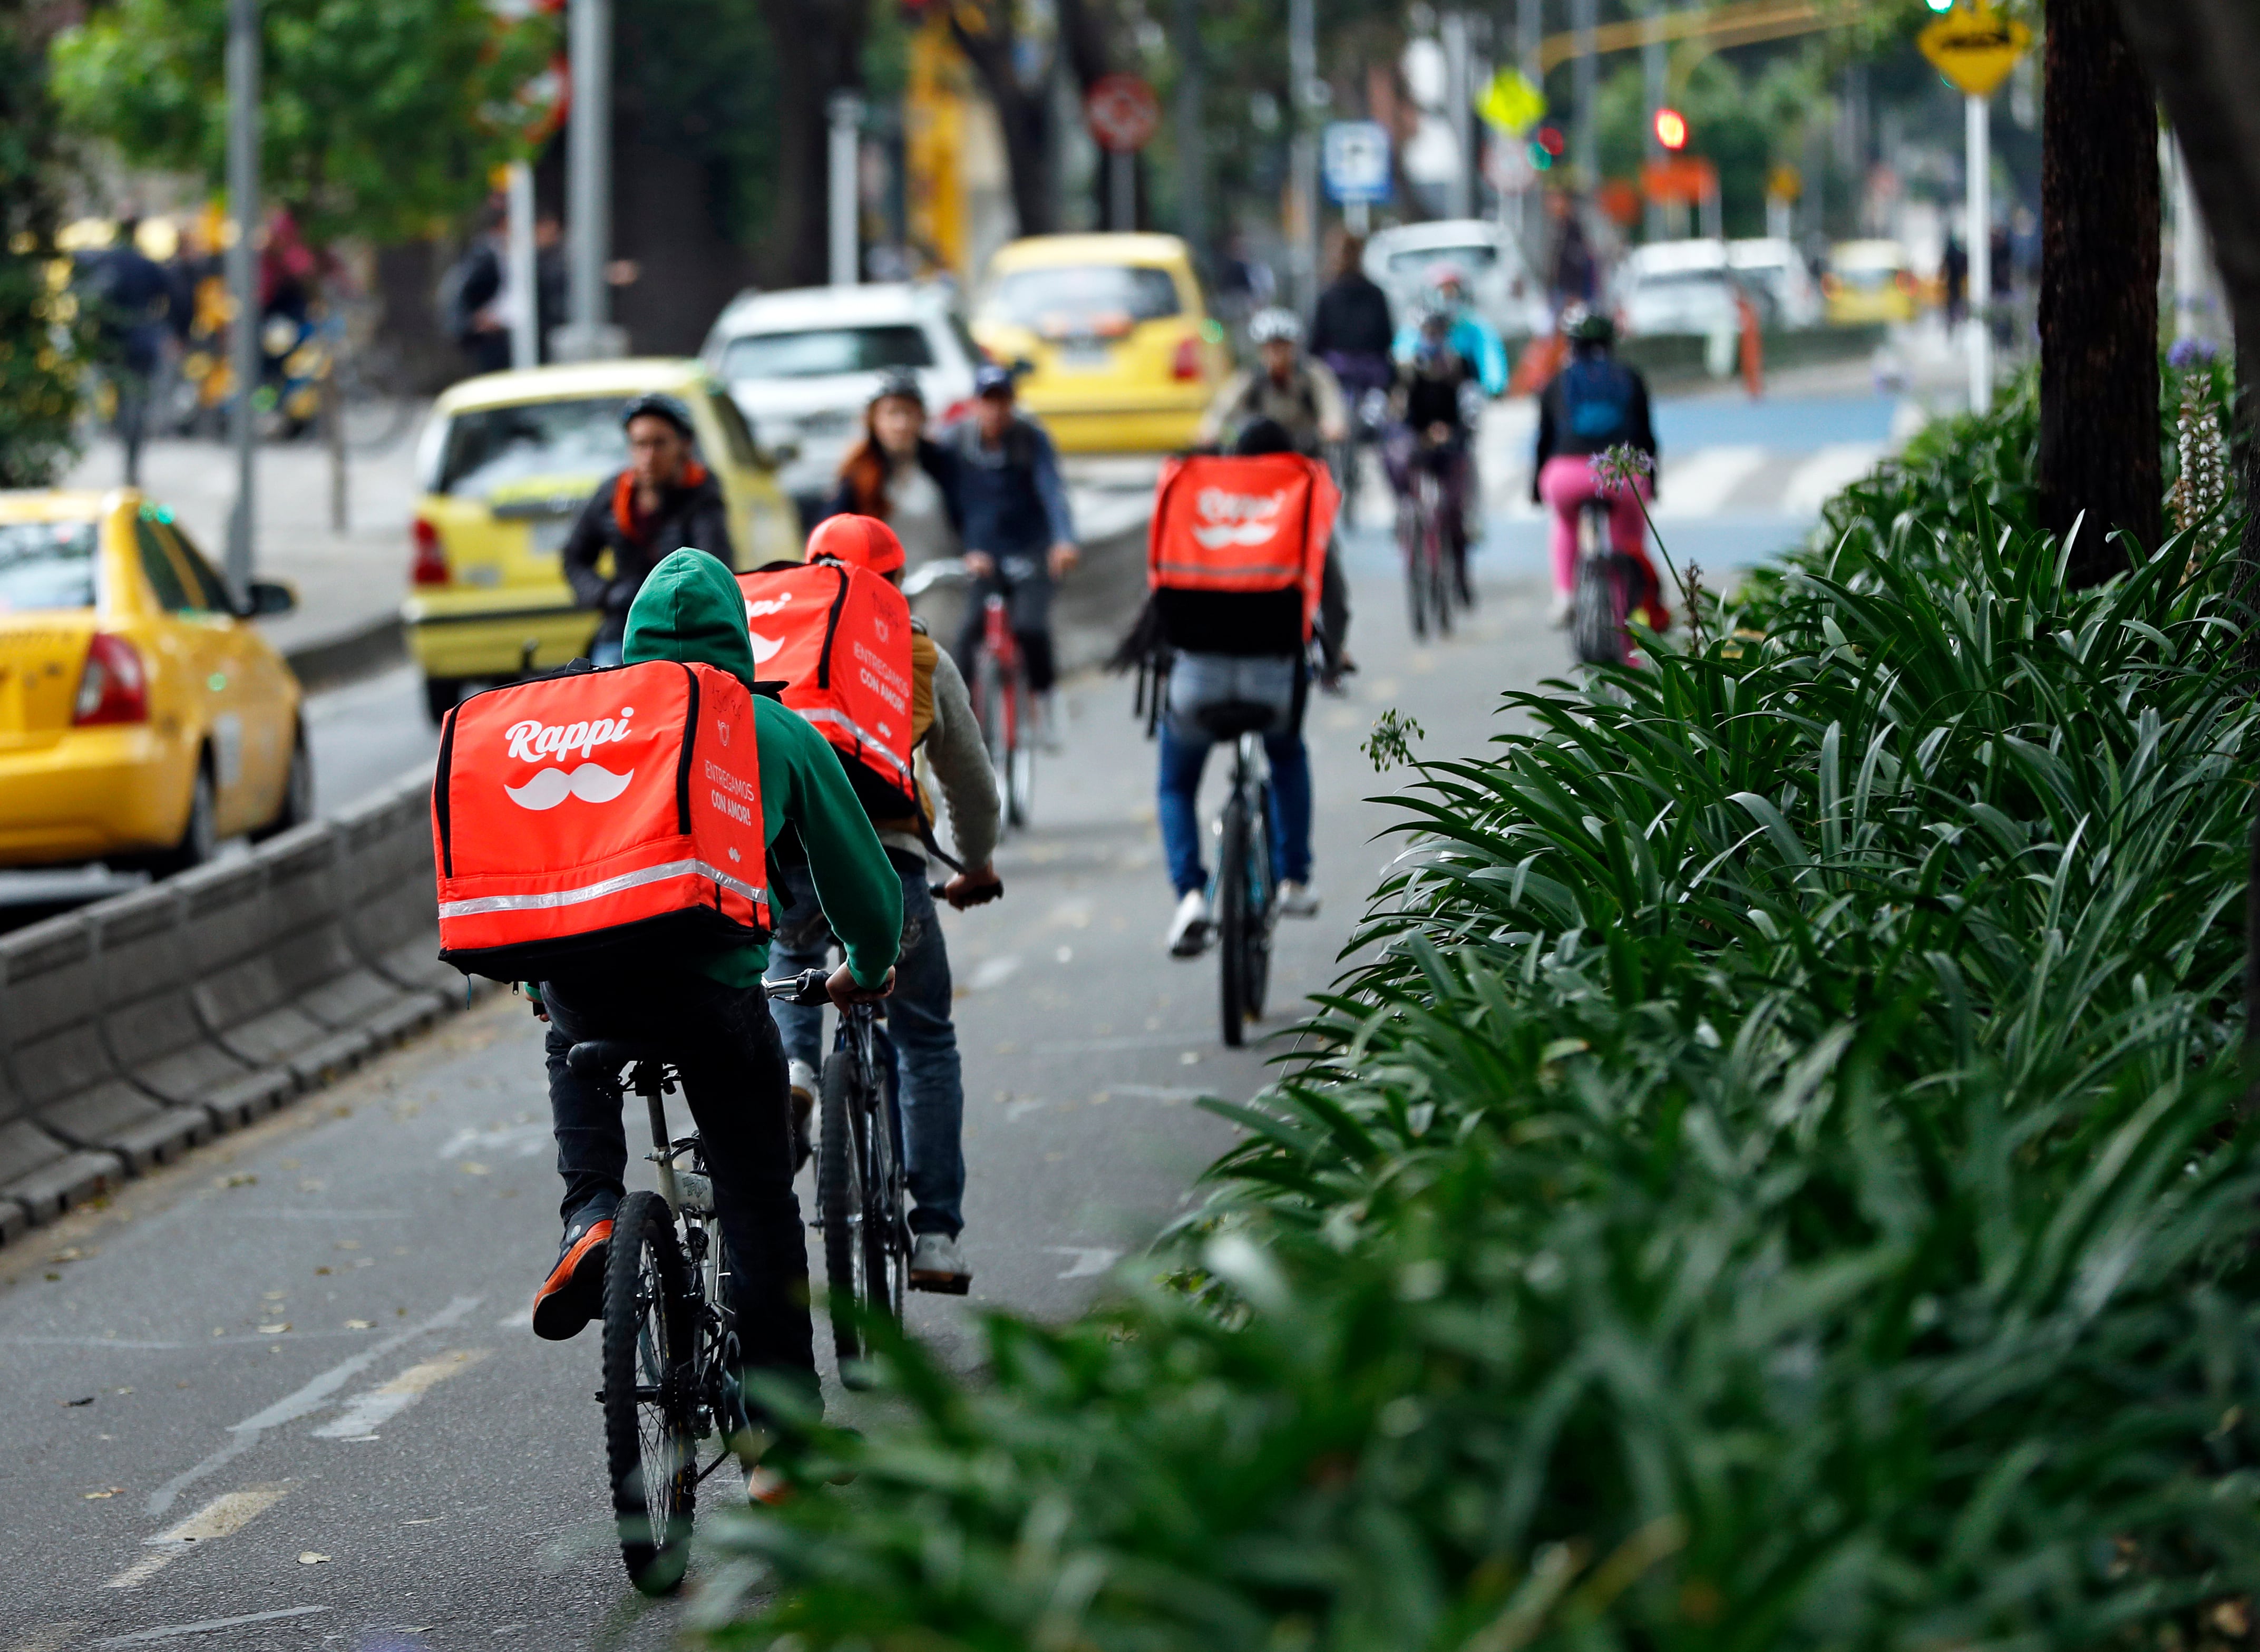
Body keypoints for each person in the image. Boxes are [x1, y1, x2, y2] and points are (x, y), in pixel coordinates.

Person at [528, 549, 902, 1498]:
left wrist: (536, 975)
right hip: (709, 997)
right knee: (758, 1192)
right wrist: (865, 963)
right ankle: (778, 1436)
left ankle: (591, 1210)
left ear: (633, 639)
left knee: (564, 1032)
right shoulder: (771, 727)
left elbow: (533, 859)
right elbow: (861, 884)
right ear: (740, 638)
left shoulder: (590, 728)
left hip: (589, 988)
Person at [762, 513, 1002, 1294]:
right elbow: (968, 778)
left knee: (792, 952)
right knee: (925, 1038)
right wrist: (974, 861)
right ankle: (935, 1234)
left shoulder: (776, 637)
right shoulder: (918, 649)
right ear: (896, 582)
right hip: (893, 866)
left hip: (788, 859)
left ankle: (795, 1068)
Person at [1149, 419, 1329, 956]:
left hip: (1194, 682)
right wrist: (1334, 653)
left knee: (1176, 785)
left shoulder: (1197, 500)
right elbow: (1328, 597)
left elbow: (1161, 590)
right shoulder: (1296, 505)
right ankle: (1294, 878)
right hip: (1273, 682)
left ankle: (1190, 897)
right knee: (1288, 755)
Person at [1195, 309, 1356, 683]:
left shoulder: (1311, 377)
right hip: (1257, 496)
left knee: (1329, 568)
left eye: (1283, 347)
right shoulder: (1250, 382)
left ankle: (1333, 654)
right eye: (1270, 348)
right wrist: (1208, 432)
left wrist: (1332, 426)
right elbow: (1220, 412)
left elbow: (1332, 408)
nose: (1277, 355)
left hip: (1305, 491)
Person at [946, 364, 1079, 746]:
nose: (995, 411)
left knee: (1031, 627)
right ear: (975, 404)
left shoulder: (1031, 440)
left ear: (1013, 403)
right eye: (987, 401)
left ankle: (1047, 698)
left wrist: (1063, 540)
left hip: (1030, 549)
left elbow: (1053, 491)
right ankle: (961, 722)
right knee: (968, 634)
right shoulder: (956, 441)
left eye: (1002, 401)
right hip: (981, 555)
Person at [560, 394, 735, 666]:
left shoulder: (703, 495)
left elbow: (714, 567)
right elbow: (574, 557)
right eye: (640, 444)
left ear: (684, 445)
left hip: (684, 637)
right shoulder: (612, 494)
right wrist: (606, 595)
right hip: (622, 631)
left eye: (660, 444)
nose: (649, 456)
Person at [1532, 309, 1664, 630]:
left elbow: (1544, 442)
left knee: (1565, 523)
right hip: (1623, 477)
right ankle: (1631, 616)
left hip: (1566, 477)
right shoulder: (1630, 377)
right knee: (1628, 545)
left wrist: (1535, 490)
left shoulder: (1556, 383)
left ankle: (1565, 596)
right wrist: (1652, 483)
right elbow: (1647, 438)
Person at [1387, 305, 1485, 604]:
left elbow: (1471, 403)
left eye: (1438, 332)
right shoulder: (1405, 368)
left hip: (1451, 443)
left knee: (1455, 510)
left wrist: (1458, 430)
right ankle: (1403, 518)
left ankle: (1460, 573)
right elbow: (1394, 408)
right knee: (1395, 464)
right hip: (1416, 445)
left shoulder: (1460, 365)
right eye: (1428, 332)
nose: (1433, 338)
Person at [820, 370, 965, 568]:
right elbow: (833, 529)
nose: (901, 424)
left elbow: (974, 513)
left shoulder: (944, 463)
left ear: (922, 417)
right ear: (873, 420)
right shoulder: (859, 471)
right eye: (892, 413)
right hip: (882, 583)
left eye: (909, 413)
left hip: (943, 580)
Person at [79, 218, 174, 488]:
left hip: (112, 341)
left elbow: (89, 297)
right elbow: (168, 296)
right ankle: (130, 459)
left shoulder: (105, 261)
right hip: (141, 340)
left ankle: (119, 440)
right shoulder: (146, 264)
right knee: (136, 403)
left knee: (120, 400)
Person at [1308, 236, 1397, 413]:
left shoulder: (1330, 296)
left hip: (1360, 376)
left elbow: (1316, 342)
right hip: (1350, 376)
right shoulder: (1372, 294)